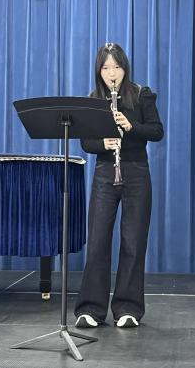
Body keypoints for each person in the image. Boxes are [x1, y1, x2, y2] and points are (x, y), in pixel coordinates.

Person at [74, 43, 164, 328]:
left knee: (133, 242)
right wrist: (103, 143)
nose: (112, 74)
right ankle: (91, 309)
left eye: (117, 67)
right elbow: (86, 142)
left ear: (125, 68)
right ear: (98, 71)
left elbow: (157, 131)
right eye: (106, 68)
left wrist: (130, 126)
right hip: (105, 172)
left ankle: (128, 308)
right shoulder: (93, 100)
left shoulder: (141, 94)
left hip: (137, 172)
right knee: (98, 241)